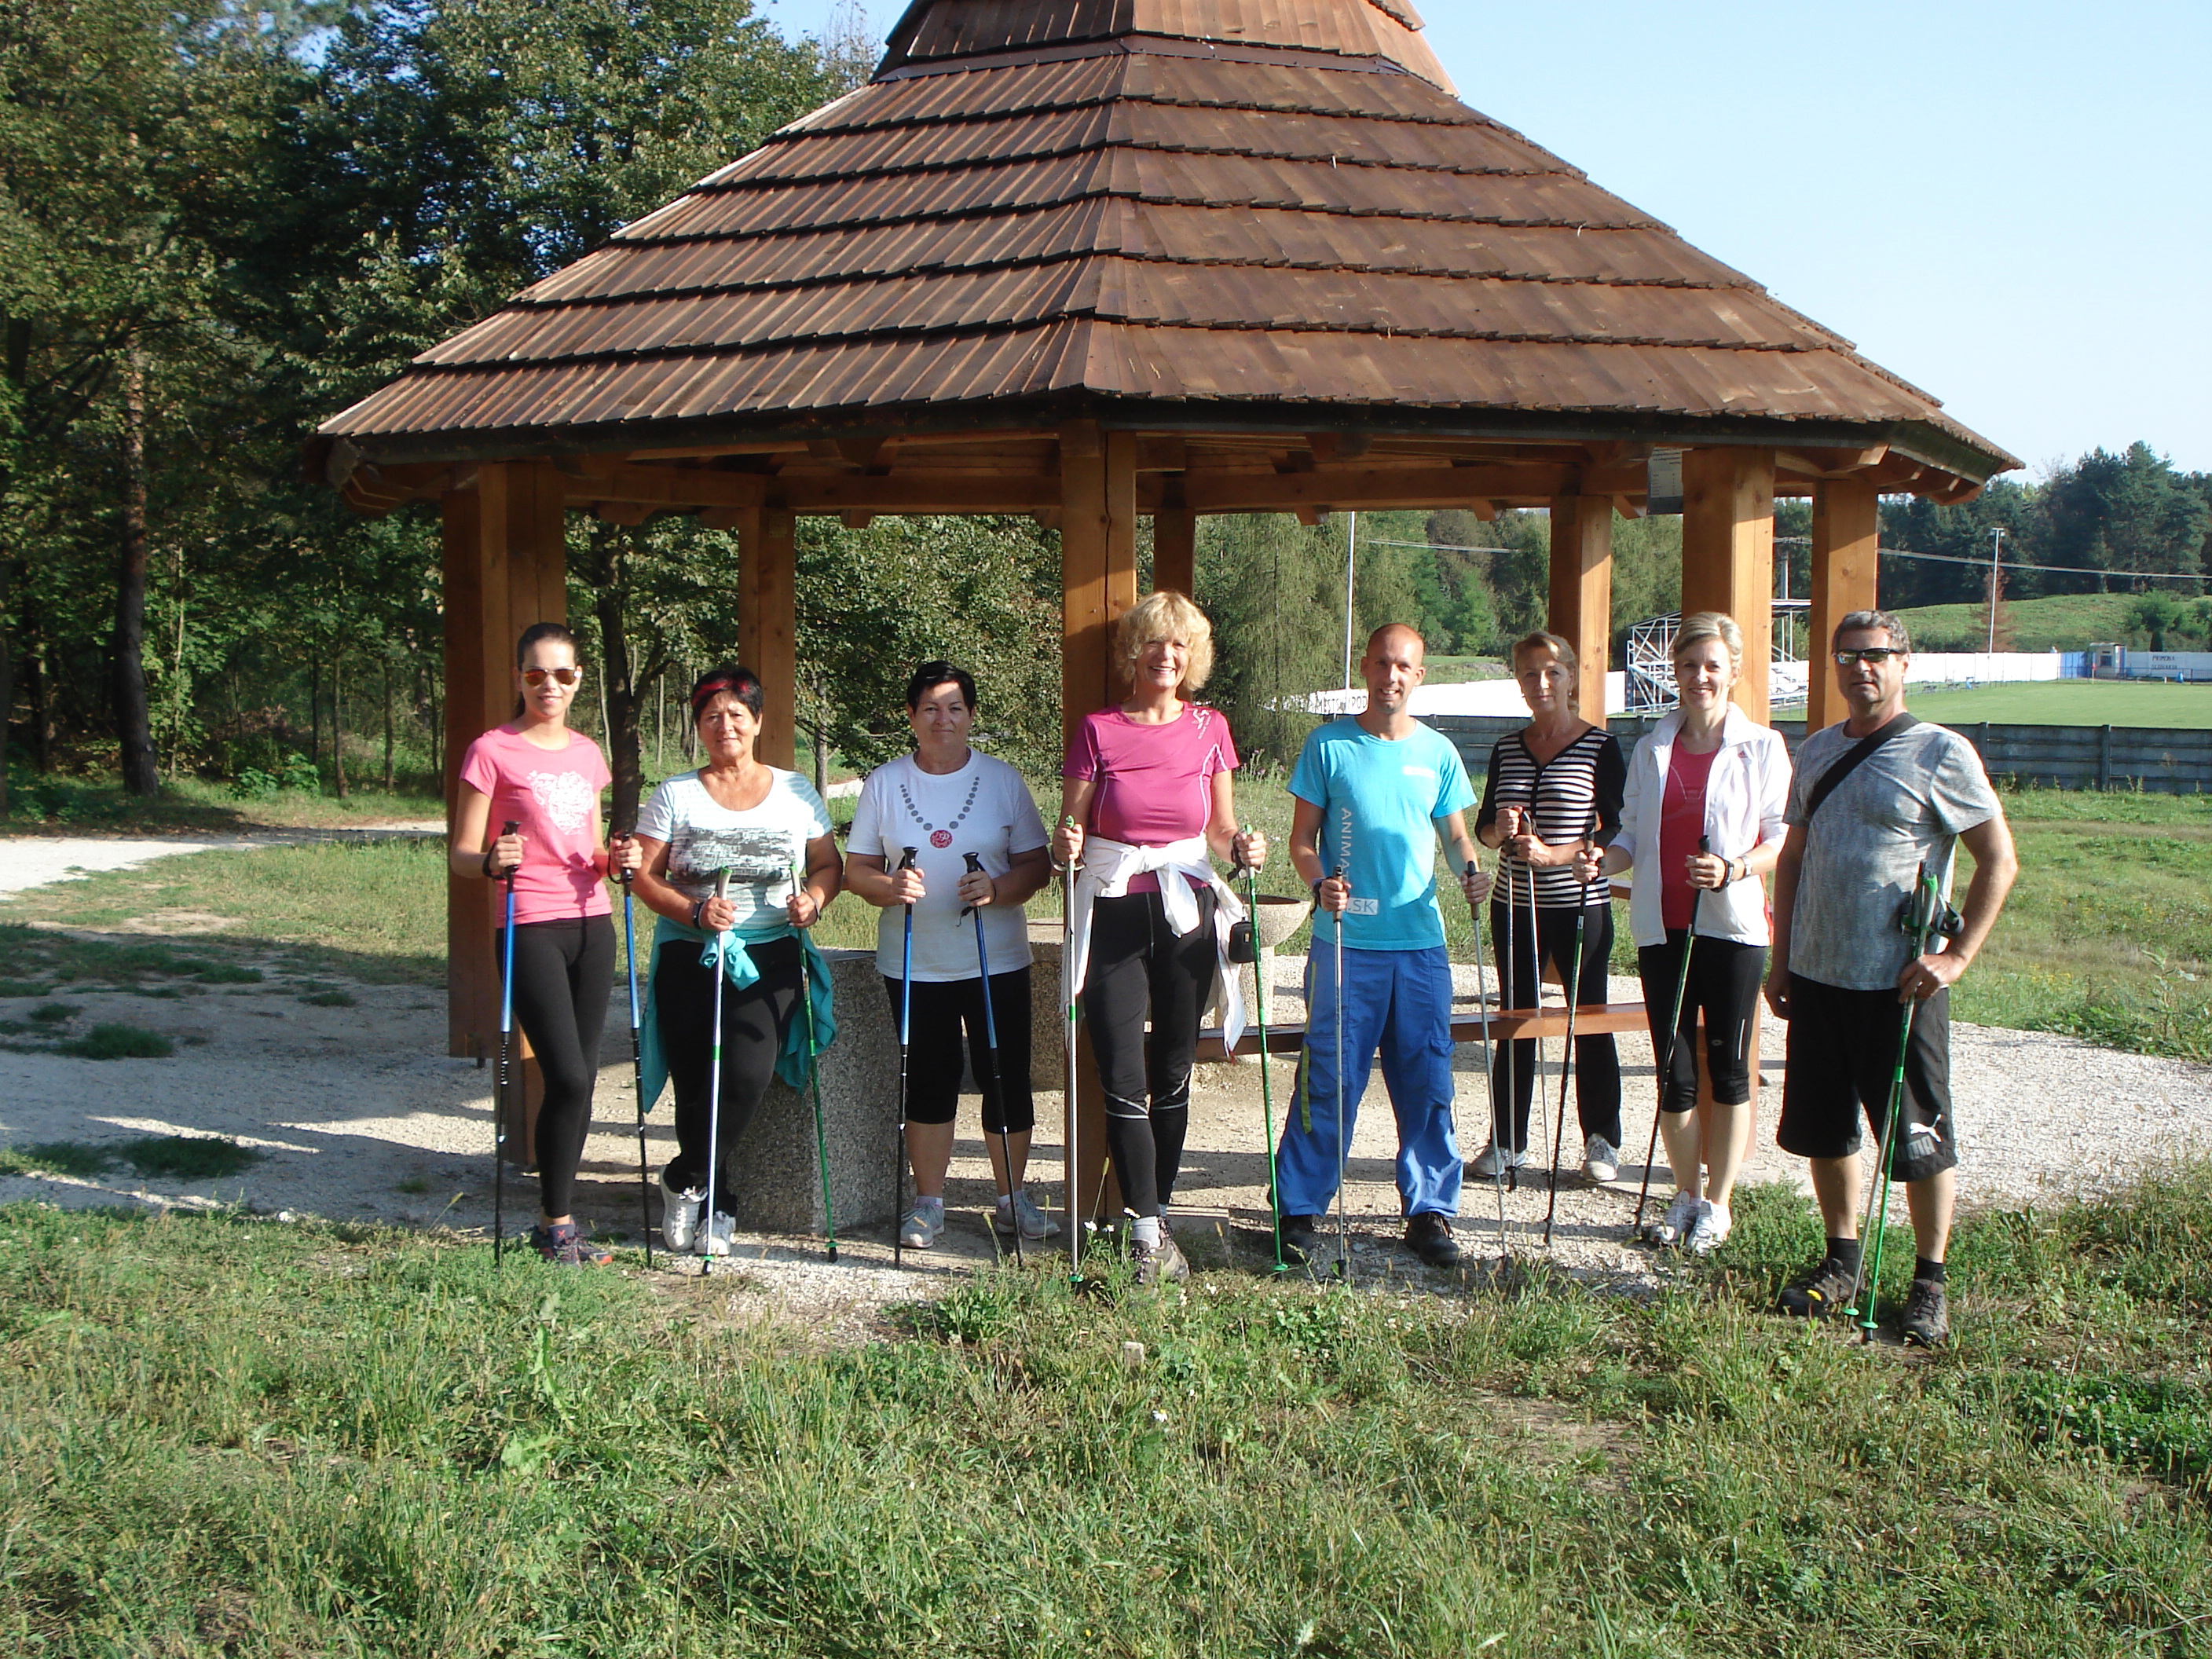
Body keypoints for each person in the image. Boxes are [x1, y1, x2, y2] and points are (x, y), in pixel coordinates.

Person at [1764, 609, 2016, 1346]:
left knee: (1920, 1136)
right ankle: (1840, 1262)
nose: (1859, 669)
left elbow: (1997, 858)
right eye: (1845, 657)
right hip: (1816, 975)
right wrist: (1782, 962)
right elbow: (1794, 859)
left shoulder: (1941, 753)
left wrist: (1956, 957)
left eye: (1874, 655)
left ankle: (1929, 1282)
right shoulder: (1813, 752)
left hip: (1899, 984)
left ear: (1905, 662)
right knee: (1825, 1130)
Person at [1056, 591, 1263, 1286]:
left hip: (1187, 912)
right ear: (1132, 653)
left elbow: (1220, 828)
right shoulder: (1097, 729)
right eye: (1153, 643)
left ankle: (1160, 1214)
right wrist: (1065, 844)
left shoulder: (1210, 728)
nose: (1165, 656)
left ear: (1192, 656)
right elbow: (1071, 834)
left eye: (1179, 645)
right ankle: (1145, 1231)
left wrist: (1244, 846)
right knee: (1119, 1072)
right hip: (1115, 906)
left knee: (1173, 1069)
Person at [1273, 623, 1482, 1270]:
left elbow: (1455, 838)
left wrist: (1470, 869)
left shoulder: (1440, 753)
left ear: (1420, 676)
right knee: (1331, 1074)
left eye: (1405, 667)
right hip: (1345, 942)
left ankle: (1429, 1211)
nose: (1391, 676)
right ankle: (1300, 1207)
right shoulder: (1329, 745)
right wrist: (1318, 884)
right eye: (1382, 663)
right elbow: (1302, 839)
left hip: (1419, 944)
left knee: (1426, 1075)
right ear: (1365, 667)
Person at [627, 666, 842, 1256]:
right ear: (699, 726)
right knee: (697, 1084)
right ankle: (715, 1202)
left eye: (736, 714)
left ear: (758, 721)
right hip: (690, 954)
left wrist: (814, 900)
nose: (725, 726)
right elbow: (642, 876)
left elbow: (829, 865)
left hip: (769, 953)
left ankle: (683, 1177)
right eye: (711, 716)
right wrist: (693, 912)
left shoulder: (797, 791)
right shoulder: (675, 793)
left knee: (747, 1075)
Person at [1595, 613, 1790, 1255]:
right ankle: (1684, 1195)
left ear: (1734, 672)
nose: (1700, 677)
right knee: (1674, 1073)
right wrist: (1602, 858)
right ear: (1673, 673)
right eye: (1688, 666)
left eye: (1713, 666)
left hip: (1732, 932)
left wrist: (1733, 869)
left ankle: (1720, 1203)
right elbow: (1629, 836)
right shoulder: (1653, 747)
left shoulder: (1762, 746)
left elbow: (1778, 838)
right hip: (1663, 929)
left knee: (1729, 1072)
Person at [450, 622, 643, 1266]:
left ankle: (556, 1222)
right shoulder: (492, 750)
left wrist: (614, 857)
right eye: (536, 674)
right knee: (563, 1073)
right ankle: (554, 1223)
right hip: (528, 921)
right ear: (518, 678)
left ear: (579, 679)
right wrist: (489, 861)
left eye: (563, 675)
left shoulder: (589, 754)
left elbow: (586, 845)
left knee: (583, 1080)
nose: (550, 686)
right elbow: (460, 853)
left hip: (593, 920)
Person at [845, 661, 1055, 1249]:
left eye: (955, 708)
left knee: (1004, 1077)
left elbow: (1037, 865)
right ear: (911, 717)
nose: (944, 719)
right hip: (915, 961)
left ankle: (1012, 1199)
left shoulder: (1003, 780)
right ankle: (929, 1203)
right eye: (931, 708)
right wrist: (889, 888)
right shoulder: (884, 783)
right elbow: (856, 870)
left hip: (997, 958)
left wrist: (997, 888)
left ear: (971, 716)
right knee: (929, 1081)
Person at [1472, 632, 1626, 1185]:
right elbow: (1484, 828)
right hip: (1514, 904)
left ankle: (1601, 1140)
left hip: (1579, 904)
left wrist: (1557, 853)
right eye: (1530, 674)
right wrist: (1500, 831)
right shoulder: (1507, 748)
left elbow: (1614, 824)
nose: (1542, 684)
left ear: (1570, 679)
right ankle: (1508, 1140)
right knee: (1516, 1018)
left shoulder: (1599, 747)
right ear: (1519, 682)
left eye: (1552, 672)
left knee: (1590, 1018)